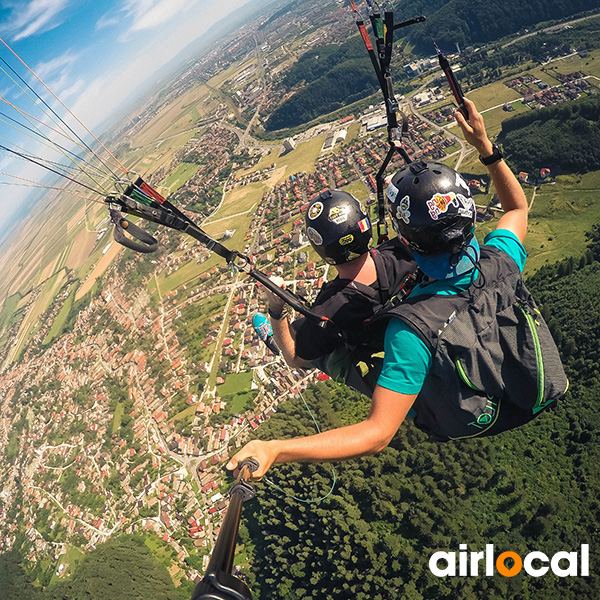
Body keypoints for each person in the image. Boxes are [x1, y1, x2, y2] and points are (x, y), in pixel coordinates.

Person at [229, 97, 566, 478]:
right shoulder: (500, 258)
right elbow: (517, 209)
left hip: (466, 408)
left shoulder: (410, 333)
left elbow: (376, 433)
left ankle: (276, 330)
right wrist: (484, 147)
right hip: (523, 381)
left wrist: (277, 449)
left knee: (332, 358)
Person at [265, 188, 418, 396]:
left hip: (372, 351)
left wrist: (276, 310)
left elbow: (294, 359)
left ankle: (277, 337)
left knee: (302, 333)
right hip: (411, 335)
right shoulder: (403, 253)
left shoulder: (330, 309)